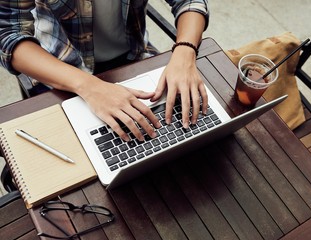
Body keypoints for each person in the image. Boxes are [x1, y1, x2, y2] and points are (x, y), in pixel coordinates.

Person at [0, 0, 209, 142]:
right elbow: (7, 33)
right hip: (62, 72)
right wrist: (89, 86)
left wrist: (185, 52)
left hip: (134, 58)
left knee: (185, 139)